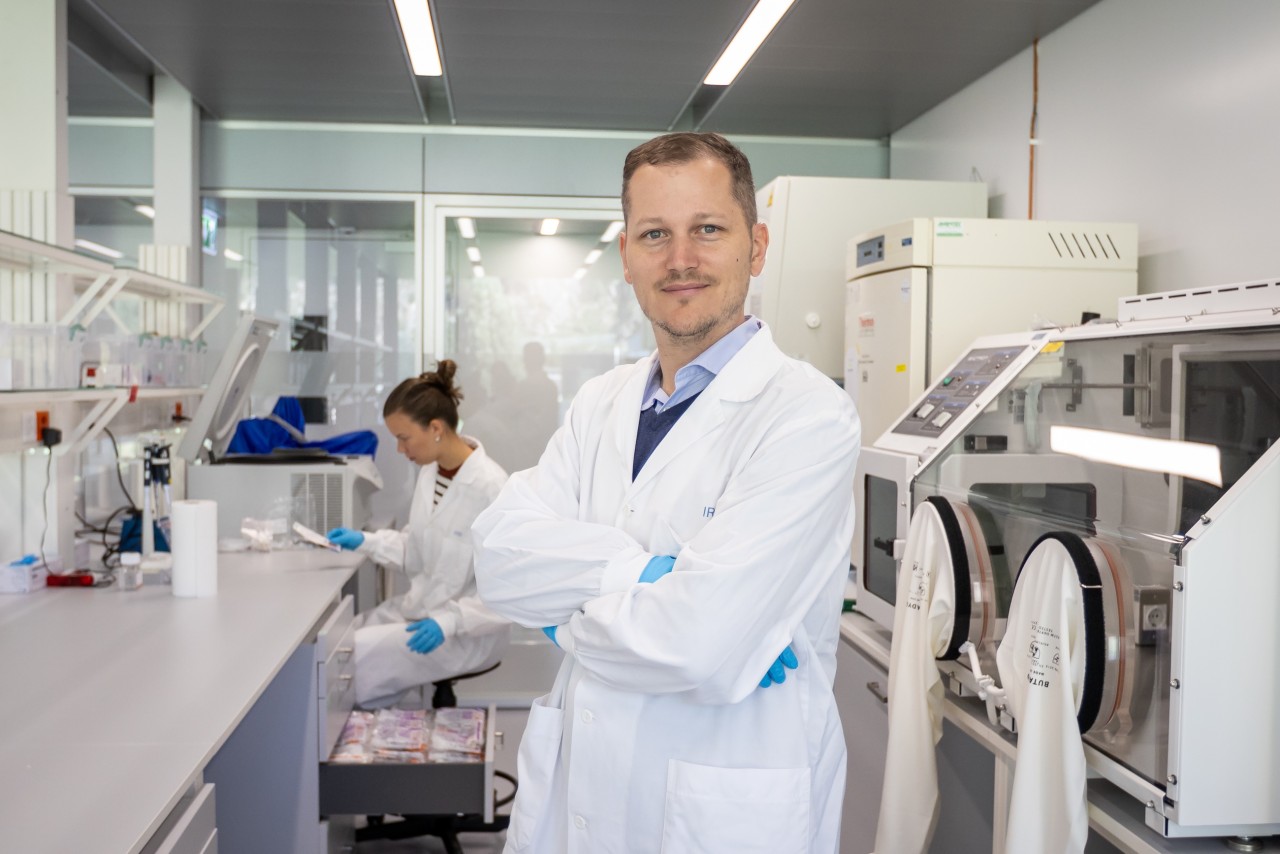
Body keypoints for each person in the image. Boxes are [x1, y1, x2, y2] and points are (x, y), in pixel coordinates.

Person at [472, 132, 861, 853]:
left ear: (757, 244)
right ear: (626, 257)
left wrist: (565, 618)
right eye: (655, 234)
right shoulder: (600, 403)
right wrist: (641, 577)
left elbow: (696, 648)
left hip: (720, 810)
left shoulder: (806, 416)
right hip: (579, 800)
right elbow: (497, 555)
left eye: (708, 229)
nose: (681, 259)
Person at [327, 360, 511, 708]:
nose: (400, 449)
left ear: (436, 428)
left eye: (403, 438)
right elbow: (417, 549)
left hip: (466, 630)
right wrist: (364, 541)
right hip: (422, 609)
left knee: (349, 663)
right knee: (341, 641)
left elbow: (510, 588)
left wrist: (450, 622)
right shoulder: (431, 473)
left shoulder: (491, 487)